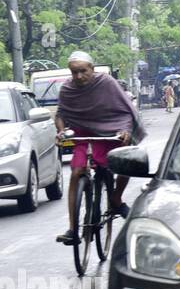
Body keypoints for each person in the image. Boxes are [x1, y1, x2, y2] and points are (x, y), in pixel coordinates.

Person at [54, 51, 146, 245]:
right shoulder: (66, 89)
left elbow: (125, 111)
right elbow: (60, 114)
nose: (79, 76)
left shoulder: (107, 83)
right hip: (82, 134)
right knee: (76, 172)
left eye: (83, 71)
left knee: (128, 158)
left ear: (92, 69)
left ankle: (116, 199)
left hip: (110, 131)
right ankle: (72, 228)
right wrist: (61, 132)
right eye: (74, 72)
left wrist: (125, 131)